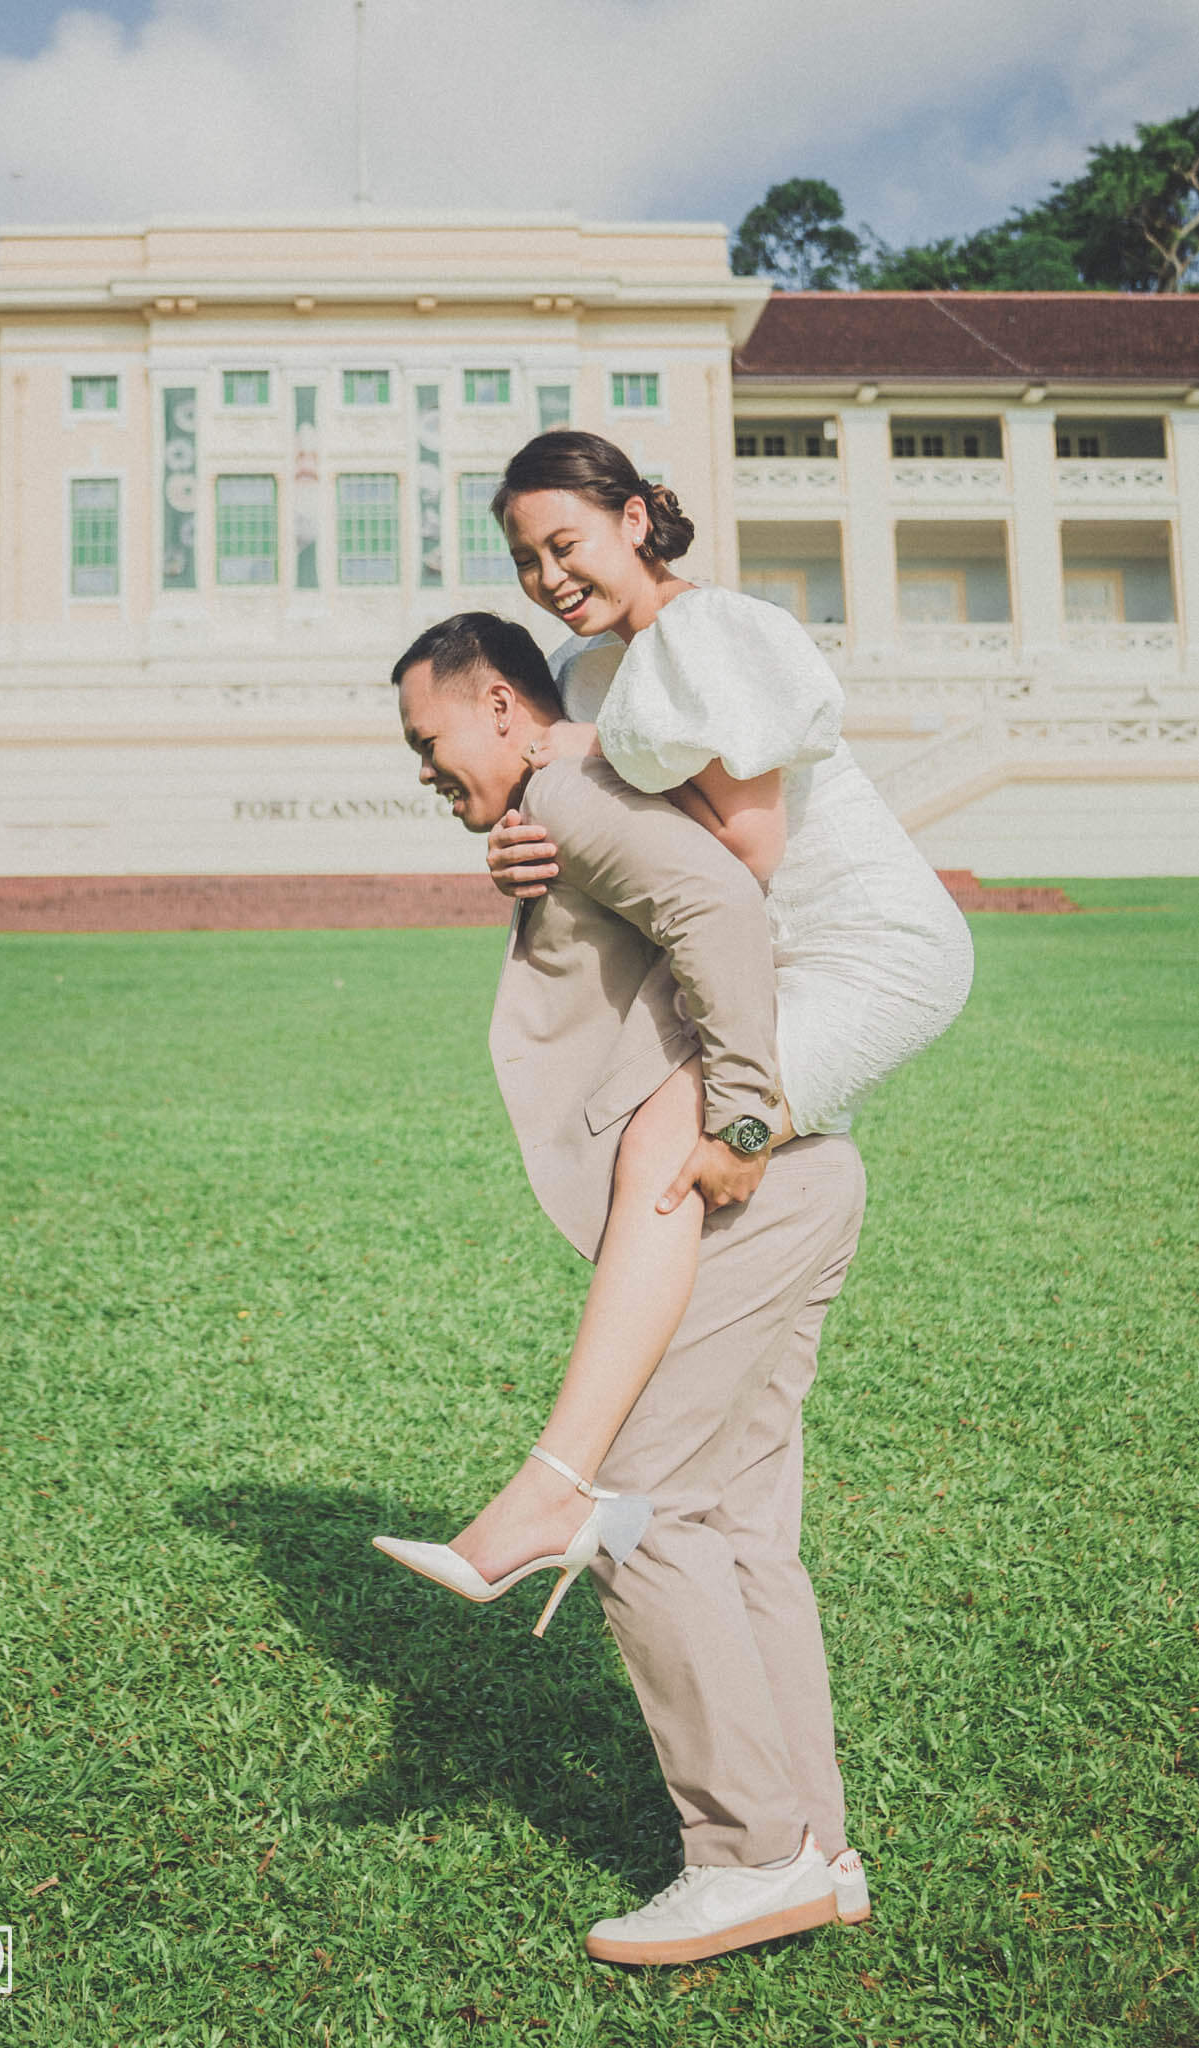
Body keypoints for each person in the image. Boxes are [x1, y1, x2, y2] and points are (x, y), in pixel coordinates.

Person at [375, 616, 870, 1961]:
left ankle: (750, 1855)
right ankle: (815, 1850)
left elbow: (718, 907)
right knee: (740, 1523)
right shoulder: (564, 799)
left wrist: (742, 1115)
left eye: (428, 737)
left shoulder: (568, 788)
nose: (422, 766)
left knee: (633, 1506)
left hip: (740, 1181)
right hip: (806, 1180)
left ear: (499, 703)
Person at [417, 431, 972, 1596]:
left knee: (672, 1142)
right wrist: (521, 850)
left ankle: (555, 1486)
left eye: (565, 542)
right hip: (762, 963)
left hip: (868, 949)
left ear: (634, 518)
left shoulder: (713, 632)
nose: (549, 576)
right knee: (673, 1158)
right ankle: (699, 1524)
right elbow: (605, 832)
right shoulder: (580, 671)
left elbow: (746, 851)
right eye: (525, 559)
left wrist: (592, 753)